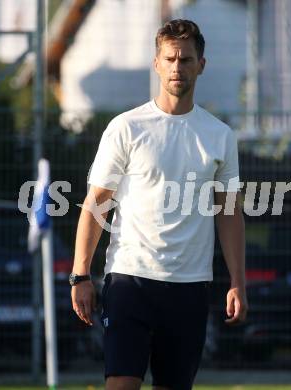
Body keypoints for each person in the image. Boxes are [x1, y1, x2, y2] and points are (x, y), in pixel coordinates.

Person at [70, 19, 248, 390]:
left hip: (190, 287)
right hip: (129, 281)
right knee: (121, 384)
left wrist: (237, 282)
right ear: (157, 64)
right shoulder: (127, 128)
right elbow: (96, 203)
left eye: (185, 59)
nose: (177, 67)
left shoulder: (219, 136)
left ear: (201, 64)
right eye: (170, 59)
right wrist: (81, 274)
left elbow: (229, 213)